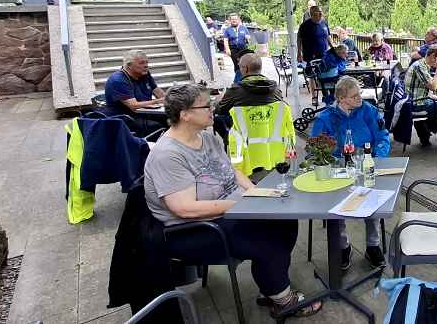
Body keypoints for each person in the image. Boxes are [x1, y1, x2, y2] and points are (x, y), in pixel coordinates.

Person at [142, 85, 321, 318]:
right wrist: (244, 204)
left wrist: (254, 191)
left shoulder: (206, 137)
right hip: (194, 230)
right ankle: (282, 300)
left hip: (230, 210)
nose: (212, 108)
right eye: (206, 105)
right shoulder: (169, 155)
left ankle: (271, 285)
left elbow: (233, 170)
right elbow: (184, 209)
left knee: (285, 218)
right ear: (184, 114)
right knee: (266, 239)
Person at [311, 77, 391, 269]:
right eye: (354, 96)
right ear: (340, 98)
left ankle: (373, 245)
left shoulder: (368, 111)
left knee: (372, 198)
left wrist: (376, 157)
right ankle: (343, 246)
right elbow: (316, 149)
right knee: (336, 203)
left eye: (359, 94)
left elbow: (382, 136)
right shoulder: (325, 118)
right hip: (338, 170)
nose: (360, 99)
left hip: (367, 164)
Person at [213, 53, 283, 142]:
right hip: (271, 137)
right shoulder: (276, 89)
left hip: (243, 140)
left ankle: (228, 141)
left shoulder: (235, 90)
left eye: (240, 67)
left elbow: (221, 110)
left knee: (217, 119)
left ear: (246, 69)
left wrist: (218, 101)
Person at [103, 50, 167, 136]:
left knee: (174, 117)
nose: (146, 66)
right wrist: (157, 101)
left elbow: (159, 93)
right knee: (157, 126)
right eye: (141, 63)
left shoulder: (144, 74)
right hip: (125, 118)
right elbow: (134, 106)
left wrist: (171, 100)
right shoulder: (118, 80)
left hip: (144, 113)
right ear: (129, 65)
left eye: (147, 62)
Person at [403, 44, 437, 146]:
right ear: (433, 55)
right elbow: (433, 86)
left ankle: (424, 128)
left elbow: (425, 87)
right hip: (415, 103)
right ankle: (425, 128)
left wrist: (434, 96)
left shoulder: (422, 64)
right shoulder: (419, 66)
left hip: (420, 98)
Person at [223, 14, 252, 84]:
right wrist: (227, 49)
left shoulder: (243, 28)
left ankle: (244, 79)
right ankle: (237, 81)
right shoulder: (227, 30)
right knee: (237, 64)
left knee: (245, 64)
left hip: (243, 49)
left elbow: (248, 37)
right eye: (232, 19)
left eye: (235, 19)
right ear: (230, 21)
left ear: (238, 20)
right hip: (233, 49)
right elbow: (225, 40)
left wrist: (248, 37)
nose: (234, 20)